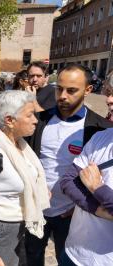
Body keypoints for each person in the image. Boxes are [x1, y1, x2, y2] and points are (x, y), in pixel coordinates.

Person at [24, 64, 112, 265]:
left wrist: (80, 205)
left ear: (88, 90)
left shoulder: (99, 129)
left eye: (71, 90)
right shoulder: (38, 121)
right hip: (37, 211)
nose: (62, 96)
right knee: (32, 258)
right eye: (59, 89)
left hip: (73, 216)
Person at [0, 90, 50, 266]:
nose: (36, 120)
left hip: (18, 225)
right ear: (9, 120)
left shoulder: (20, 145)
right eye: (29, 115)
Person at [59, 128, 113, 265]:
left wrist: (96, 187)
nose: (109, 105)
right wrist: (99, 210)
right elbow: (68, 181)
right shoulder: (101, 137)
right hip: (72, 252)